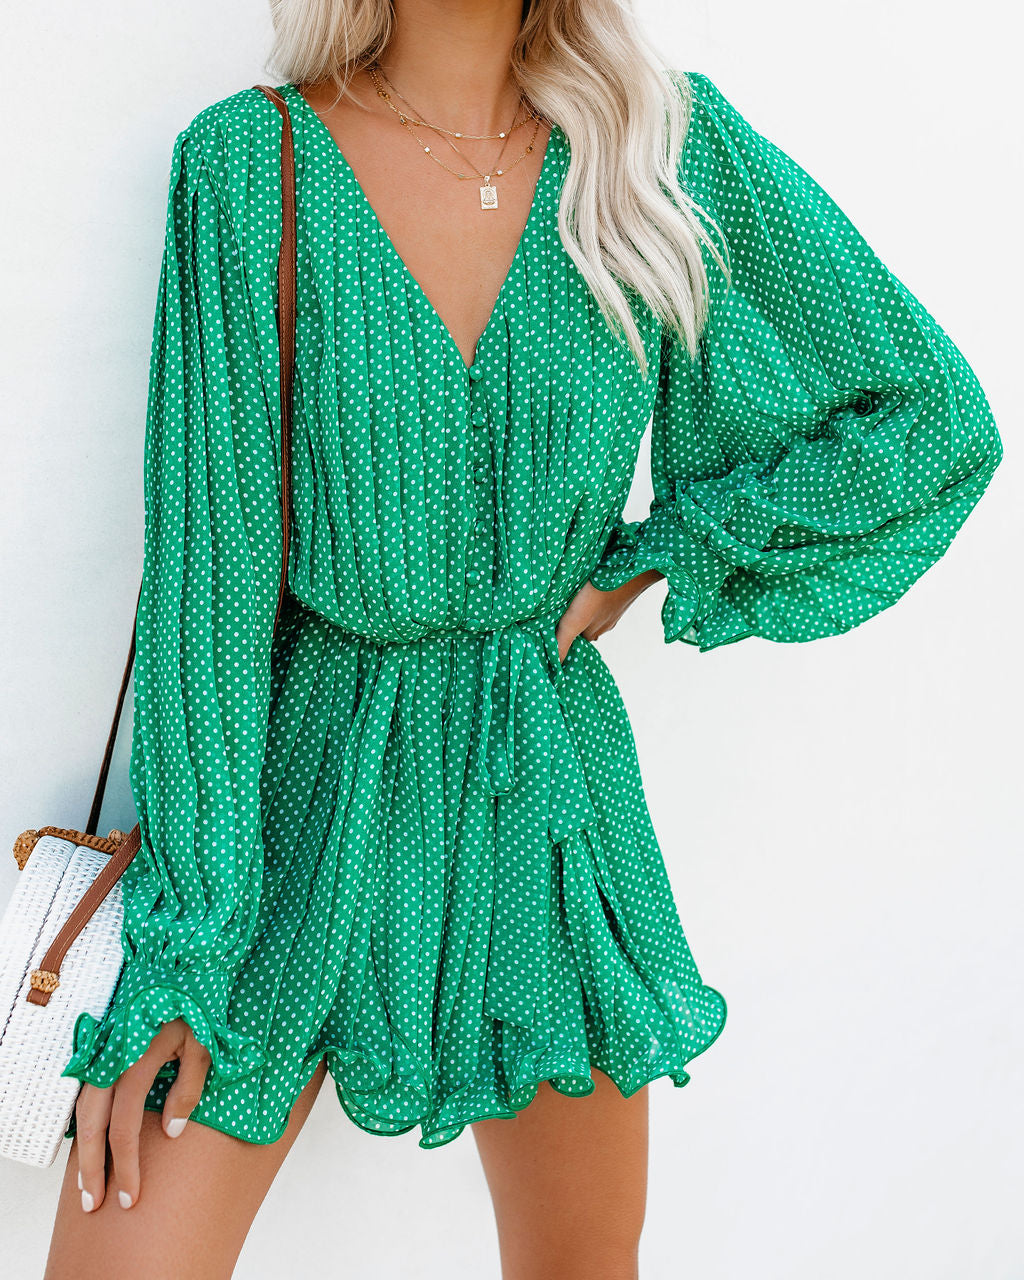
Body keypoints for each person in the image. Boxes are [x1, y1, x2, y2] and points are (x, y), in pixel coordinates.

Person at [43, 2, 1003, 1277]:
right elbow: (207, 592)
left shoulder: (655, 146)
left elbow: (929, 415)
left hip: (541, 793)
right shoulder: (250, 163)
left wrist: (667, 551)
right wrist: (186, 946)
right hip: (291, 816)